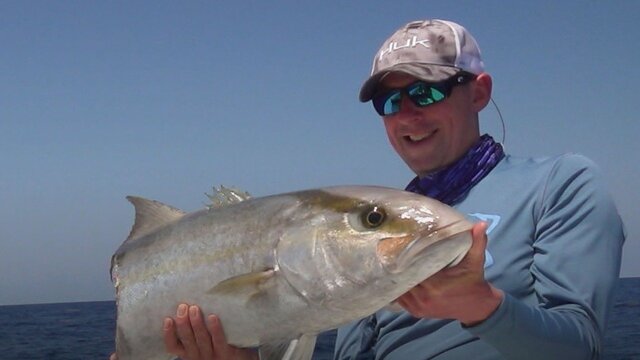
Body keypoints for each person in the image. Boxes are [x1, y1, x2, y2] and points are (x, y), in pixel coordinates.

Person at [113, 19, 625, 359]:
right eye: (389, 102)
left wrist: (480, 304)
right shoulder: (371, 249)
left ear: (480, 93)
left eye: (425, 91)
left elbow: (581, 345)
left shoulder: (559, 184)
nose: (408, 115)